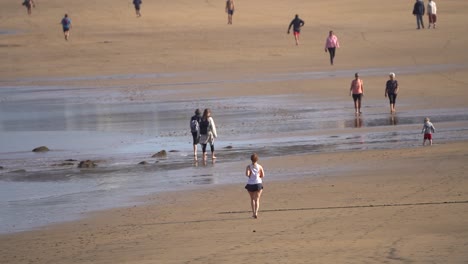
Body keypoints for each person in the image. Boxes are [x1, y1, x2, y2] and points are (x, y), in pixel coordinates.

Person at [245, 153, 265, 219]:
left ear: (251, 159)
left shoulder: (248, 166)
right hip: (258, 183)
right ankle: (256, 212)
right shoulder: (260, 166)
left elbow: (247, 174)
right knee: (257, 199)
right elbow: (262, 175)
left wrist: (250, 174)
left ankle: (253, 213)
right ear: (257, 159)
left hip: (250, 184)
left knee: (252, 199)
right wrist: (258, 175)